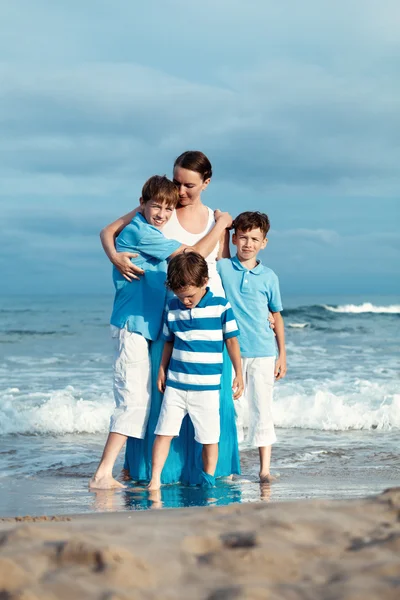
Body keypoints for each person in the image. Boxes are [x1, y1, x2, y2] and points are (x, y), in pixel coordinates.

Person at [100, 151, 241, 484]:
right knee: (155, 398)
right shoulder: (159, 208)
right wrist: (115, 257)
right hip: (165, 317)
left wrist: (249, 313)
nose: (180, 191)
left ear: (207, 183)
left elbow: (221, 269)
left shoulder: (212, 217)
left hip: (207, 316)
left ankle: (210, 473)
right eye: (177, 181)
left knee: (210, 401)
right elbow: (108, 232)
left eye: (189, 185)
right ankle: (143, 471)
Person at [148, 252, 243, 490]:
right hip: (176, 386)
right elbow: (169, 342)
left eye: (189, 296)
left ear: (204, 282)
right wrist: (162, 369)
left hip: (207, 389)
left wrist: (239, 373)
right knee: (163, 433)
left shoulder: (221, 306)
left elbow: (231, 341)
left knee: (209, 438)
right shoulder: (172, 307)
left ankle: (208, 479)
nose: (185, 301)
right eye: (181, 296)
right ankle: (154, 481)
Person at [217, 211, 287, 483]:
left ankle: (264, 469)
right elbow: (222, 254)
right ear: (234, 239)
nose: (248, 244)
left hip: (263, 352)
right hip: (230, 352)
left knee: (261, 409)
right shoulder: (223, 267)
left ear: (264, 242)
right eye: (243, 237)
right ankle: (229, 466)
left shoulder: (269, 277)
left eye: (255, 239)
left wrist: (282, 355)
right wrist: (222, 224)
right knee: (229, 409)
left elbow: (277, 315)